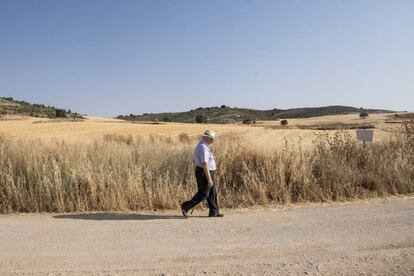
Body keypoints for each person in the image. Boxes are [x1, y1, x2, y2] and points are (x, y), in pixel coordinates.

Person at [181, 130, 223, 218]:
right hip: (204, 172)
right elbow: (204, 163)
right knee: (204, 193)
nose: (213, 141)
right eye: (211, 139)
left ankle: (214, 212)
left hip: (205, 171)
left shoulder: (204, 145)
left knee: (212, 192)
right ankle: (186, 206)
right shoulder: (203, 147)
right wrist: (209, 178)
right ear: (206, 138)